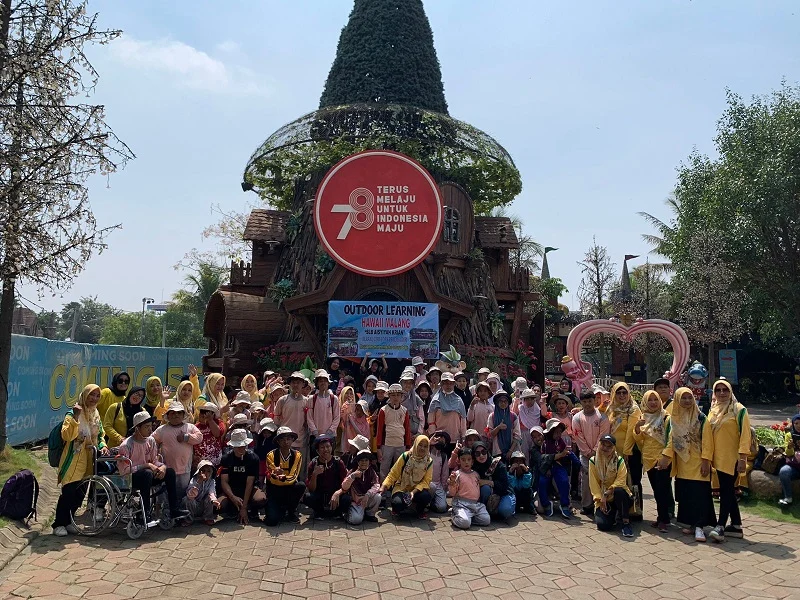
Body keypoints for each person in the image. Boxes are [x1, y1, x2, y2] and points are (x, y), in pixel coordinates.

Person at [658, 387, 715, 542]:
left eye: (690, 398)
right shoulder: (674, 419)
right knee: (687, 495)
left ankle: (700, 527)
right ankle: (691, 524)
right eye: (683, 398)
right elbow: (671, 441)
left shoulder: (701, 418)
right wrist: (665, 458)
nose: (687, 401)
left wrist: (706, 461)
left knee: (700, 495)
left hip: (698, 463)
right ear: (677, 400)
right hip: (683, 464)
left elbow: (708, 442)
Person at [53, 384, 110, 536]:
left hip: (89, 459)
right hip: (73, 459)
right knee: (68, 492)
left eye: (97, 396)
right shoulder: (73, 412)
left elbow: (100, 435)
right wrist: (76, 417)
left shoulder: (96, 413)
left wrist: (103, 445)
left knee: (80, 493)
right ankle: (58, 524)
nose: (94, 398)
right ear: (85, 395)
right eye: (91, 395)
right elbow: (67, 435)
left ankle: (68, 521)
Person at [116, 411, 187, 523]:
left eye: (151, 426)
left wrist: (162, 467)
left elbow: (154, 461)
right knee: (147, 473)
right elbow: (124, 470)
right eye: (146, 427)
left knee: (170, 472)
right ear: (137, 428)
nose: (150, 429)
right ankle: (145, 513)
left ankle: (174, 509)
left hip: (147, 477)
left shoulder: (151, 441)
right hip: (130, 479)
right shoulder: (126, 445)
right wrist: (146, 465)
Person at [707, 378, 751, 541]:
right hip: (718, 458)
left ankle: (720, 526)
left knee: (725, 492)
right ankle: (736, 526)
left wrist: (743, 458)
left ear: (730, 391)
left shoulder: (739, 409)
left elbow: (745, 435)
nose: (722, 393)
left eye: (725, 390)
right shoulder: (714, 409)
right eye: (718, 390)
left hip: (732, 458)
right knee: (728, 490)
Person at [633, 390, 671, 532]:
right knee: (656, 490)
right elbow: (639, 439)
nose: (653, 403)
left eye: (656, 399)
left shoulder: (666, 417)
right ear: (645, 402)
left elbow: (671, 438)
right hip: (648, 459)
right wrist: (637, 427)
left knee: (662, 490)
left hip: (662, 459)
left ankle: (664, 519)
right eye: (650, 400)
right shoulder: (643, 418)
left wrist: (665, 457)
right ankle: (661, 518)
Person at [152, 401, 203, 497]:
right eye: (173, 413)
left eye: (179, 412)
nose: (176, 415)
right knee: (167, 494)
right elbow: (152, 441)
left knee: (183, 493)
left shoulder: (190, 427)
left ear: (183, 415)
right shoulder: (162, 429)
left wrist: (186, 437)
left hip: (185, 468)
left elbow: (199, 437)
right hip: (167, 469)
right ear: (168, 416)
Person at [572, 390, 610, 517]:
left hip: (601, 454)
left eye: (590, 401)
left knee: (601, 479)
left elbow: (603, 435)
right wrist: (588, 452)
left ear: (595, 401)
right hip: (585, 455)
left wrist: (595, 451)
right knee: (586, 480)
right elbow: (578, 437)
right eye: (584, 401)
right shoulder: (577, 418)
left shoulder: (602, 417)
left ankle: (600, 504)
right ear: (581, 402)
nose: (587, 404)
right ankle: (587, 505)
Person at [589, 434, 634, 537]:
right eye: (603, 445)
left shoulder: (619, 460)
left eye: (609, 446)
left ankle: (625, 522)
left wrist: (606, 494)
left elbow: (621, 481)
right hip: (603, 499)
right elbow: (594, 484)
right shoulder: (593, 461)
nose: (605, 448)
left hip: (620, 496)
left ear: (613, 448)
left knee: (619, 490)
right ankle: (614, 515)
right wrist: (600, 499)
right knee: (603, 525)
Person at [218, 429, 266, 523]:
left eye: (243, 445)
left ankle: (249, 508)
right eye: (238, 446)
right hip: (232, 488)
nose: (241, 448)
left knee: (261, 499)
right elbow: (224, 481)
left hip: (249, 488)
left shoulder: (253, 458)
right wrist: (232, 497)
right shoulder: (226, 458)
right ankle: (233, 507)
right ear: (233, 446)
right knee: (219, 505)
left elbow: (250, 483)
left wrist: (244, 507)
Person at [380, 435, 433, 518]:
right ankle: (399, 508)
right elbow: (393, 474)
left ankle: (419, 510)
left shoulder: (428, 461)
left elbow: (426, 481)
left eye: (425, 446)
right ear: (415, 444)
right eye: (420, 445)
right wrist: (384, 486)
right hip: (401, 487)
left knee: (426, 497)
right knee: (397, 504)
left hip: (417, 489)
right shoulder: (406, 456)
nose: (422, 448)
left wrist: (413, 492)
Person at [608, 382, 643, 504]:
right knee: (616, 481)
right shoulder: (612, 408)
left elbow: (631, 432)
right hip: (613, 452)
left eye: (624, 392)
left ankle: (635, 508)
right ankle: (619, 508)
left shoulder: (633, 409)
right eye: (618, 392)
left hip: (630, 452)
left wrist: (626, 452)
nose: (621, 395)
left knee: (633, 481)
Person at [264, 427, 306, 526]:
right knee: (272, 521)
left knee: (300, 485)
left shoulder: (297, 455)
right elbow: (271, 479)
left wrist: (279, 477)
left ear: (292, 440)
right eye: (282, 439)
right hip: (274, 490)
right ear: (278, 441)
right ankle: (278, 509)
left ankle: (291, 511)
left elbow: (293, 477)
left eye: (288, 439)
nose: (286, 442)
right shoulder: (271, 455)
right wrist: (275, 476)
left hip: (289, 488)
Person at [273, 372, 310, 482]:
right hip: (285, 441)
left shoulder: (307, 401)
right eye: (293, 382)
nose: (296, 385)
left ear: (303, 384)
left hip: (301, 440)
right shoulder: (283, 400)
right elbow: (276, 419)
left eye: (298, 382)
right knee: (284, 468)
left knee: (300, 468)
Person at [306, 435, 350, 520]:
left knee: (347, 499)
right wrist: (314, 474)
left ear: (332, 447)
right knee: (308, 497)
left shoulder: (338, 462)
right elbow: (311, 489)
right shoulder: (313, 463)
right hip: (320, 495)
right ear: (317, 450)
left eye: (328, 446)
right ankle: (319, 512)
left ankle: (337, 512)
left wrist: (337, 493)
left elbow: (346, 484)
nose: (326, 449)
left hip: (335, 494)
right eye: (322, 447)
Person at [471, 441, 515, 523]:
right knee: (485, 489)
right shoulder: (473, 467)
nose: (481, 455)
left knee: (505, 511)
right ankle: (485, 511)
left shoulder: (498, 464)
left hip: (503, 493)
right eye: (477, 454)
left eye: (483, 452)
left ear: (487, 451)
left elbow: (504, 486)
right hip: (486, 496)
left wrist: (488, 482)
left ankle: (495, 511)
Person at [376, 384, 412, 480]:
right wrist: (378, 447)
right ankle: (383, 486)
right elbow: (379, 429)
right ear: (389, 396)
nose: (395, 397)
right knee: (384, 468)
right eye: (393, 395)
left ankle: (398, 487)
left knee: (400, 468)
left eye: (398, 395)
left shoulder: (404, 410)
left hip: (401, 443)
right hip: (387, 444)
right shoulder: (383, 410)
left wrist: (408, 446)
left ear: (401, 397)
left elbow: (407, 429)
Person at [449, 448, 491, 529]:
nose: (466, 462)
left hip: (475, 505)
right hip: (461, 504)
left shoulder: (476, 474)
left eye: (469, 459)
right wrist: (452, 482)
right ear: (459, 461)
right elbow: (452, 493)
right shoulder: (457, 474)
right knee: (464, 523)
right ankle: (455, 516)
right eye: (463, 460)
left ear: (472, 461)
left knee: (486, 520)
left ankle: (468, 518)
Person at [539, 419, 572, 519]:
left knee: (564, 480)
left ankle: (564, 504)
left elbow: (565, 455)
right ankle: (546, 504)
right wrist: (548, 468)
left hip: (558, 466)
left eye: (560, 432)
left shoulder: (561, 442)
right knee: (542, 482)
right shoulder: (544, 443)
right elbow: (543, 458)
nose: (558, 435)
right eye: (556, 432)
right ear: (550, 432)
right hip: (546, 467)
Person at [340, 448, 381, 524]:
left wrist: (368, 495)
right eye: (361, 460)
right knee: (356, 520)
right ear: (358, 461)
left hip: (367, 498)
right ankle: (348, 515)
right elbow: (344, 487)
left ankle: (369, 514)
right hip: (356, 502)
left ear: (369, 462)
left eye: (366, 460)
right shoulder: (352, 472)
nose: (364, 462)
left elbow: (376, 485)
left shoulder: (371, 471)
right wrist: (353, 476)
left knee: (378, 497)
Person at [426, 372, 467, 446]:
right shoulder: (435, 400)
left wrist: (463, 437)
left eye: (450, 383)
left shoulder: (459, 400)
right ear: (441, 384)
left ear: (454, 384)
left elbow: (463, 420)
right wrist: (433, 436)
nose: (448, 385)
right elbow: (431, 421)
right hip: (439, 440)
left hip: (455, 439)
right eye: (445, 383)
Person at [487, 391, 521, 461]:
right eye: (501, 401)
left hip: (512, 451)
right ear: (497, 402)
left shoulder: (513, 416)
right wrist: (498, 427)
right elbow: (490, 434)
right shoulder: (492, 416)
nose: (503, 403)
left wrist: (510, 451)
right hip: (497, 451)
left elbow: (517, 435)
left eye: (505, 401)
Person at [184, 460, 219, 525]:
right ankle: (189, 519)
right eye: (203, 471)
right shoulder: (194, 480)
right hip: (193, 506)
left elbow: (211, 492)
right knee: (187, 499)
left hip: (203, 506)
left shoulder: (211, 481)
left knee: (209, 498)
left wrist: (214, 500)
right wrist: (199, 482)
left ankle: (208, 518)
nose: (206, 473)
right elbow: (190, 495)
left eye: (208, 471)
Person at [193, 401, 226, 469]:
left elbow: (217, 434)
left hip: (216, 463)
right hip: (200, 464)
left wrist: (210, 420)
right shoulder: (195, 427)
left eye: (206, 413)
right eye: (202, 412)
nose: (203, 415)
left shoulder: (219, 423)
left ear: (213, 415)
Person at [778, 413, 800, 506]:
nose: (798, 426)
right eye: (796, 423)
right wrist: (790, 447)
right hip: (794, 466)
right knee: (784, 471)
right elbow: (788, 454)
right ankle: (788, 497)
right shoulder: (789, 435)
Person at [428, 430, 451, 513]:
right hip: (426, 484)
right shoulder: (427, 452)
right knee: (431, 487)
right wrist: (428, 444)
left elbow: (445, 475)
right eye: (438, 437)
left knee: (442, 508)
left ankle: (432, 503)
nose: (439, 440)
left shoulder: (443, 456)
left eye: (442, 439)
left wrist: (444, 490)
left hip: (438, 486)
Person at [517, 389, 543, 459]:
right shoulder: (520, 409)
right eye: (527, 399)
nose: (529, 401)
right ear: (523, 400)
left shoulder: (538, 410)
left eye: (531, 399)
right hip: (523, 434)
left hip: (536, 435)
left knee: (536, 454)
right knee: (524, 454)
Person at [400, 372, 425, 436]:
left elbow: (421, 418)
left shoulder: (416, 399)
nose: (408, 385)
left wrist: (419, 433)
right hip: (399, 431)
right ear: (401, 383)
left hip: (413, 432)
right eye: (405, 382)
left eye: (410, 383)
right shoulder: (396, 396)